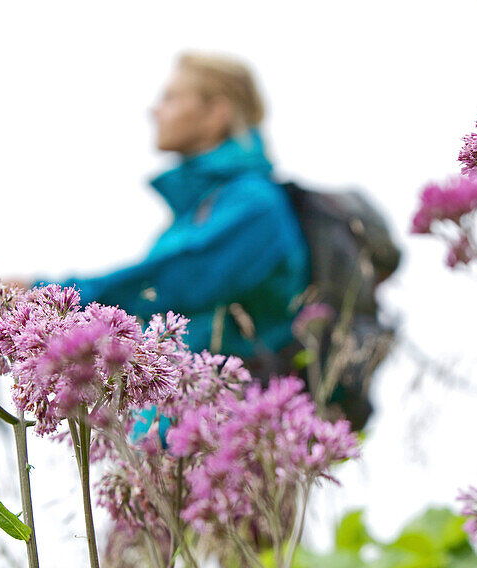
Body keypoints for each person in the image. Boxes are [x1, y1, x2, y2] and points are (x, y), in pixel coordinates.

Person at [52, 52, 309, 370]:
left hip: (224, 412)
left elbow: (170, 282)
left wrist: (53, 298)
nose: (155, 110)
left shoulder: (256, 205)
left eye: (171, 98)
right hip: (170, 413)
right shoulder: (200, 209)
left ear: (217, 113)